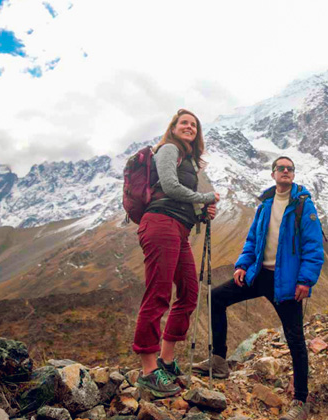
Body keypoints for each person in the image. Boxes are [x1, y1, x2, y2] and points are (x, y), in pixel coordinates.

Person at [193, 156, 324, 420]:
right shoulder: (265, 204)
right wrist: (243, 264)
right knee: (216, 298)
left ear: (293, 174)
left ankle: (300, 400)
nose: (285, 171)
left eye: (289, 168)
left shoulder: (303, 205)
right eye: (280, 168)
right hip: (259, 275)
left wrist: (305, 281)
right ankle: (219, 361)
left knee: (295, 338)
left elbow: (314, 246)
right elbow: (253, 238)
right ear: (273, 174)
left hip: (286, 283)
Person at [133, 109, 220, 397]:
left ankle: (166, 361)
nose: (189, 127)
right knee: (158, 294)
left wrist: (200, 213)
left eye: (194, 124)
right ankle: (148, 372)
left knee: (189, 293)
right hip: (161, 224)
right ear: (173, 127)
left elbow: (177, 197)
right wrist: (205, 197)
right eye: (184, 123)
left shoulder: (189, 160)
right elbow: (170, 187)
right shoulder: (168, 149)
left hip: (178, 229)